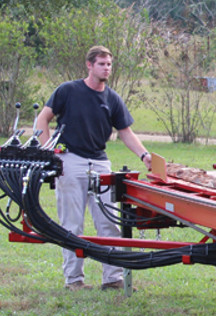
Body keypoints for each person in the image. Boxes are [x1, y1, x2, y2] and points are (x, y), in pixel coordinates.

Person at [33, 45, 152, 290]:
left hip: (100, 161)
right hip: (70, 160)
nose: (106, 68)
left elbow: (125, 132)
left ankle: (113, 278)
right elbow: (42, 119)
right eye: (101, 64)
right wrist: (48, 152)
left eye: (109, 64)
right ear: (89, 65)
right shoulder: (68, 91)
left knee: (109, 222)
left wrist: (144, 155)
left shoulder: (112, 98)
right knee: (72, 224)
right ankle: (74, 280)